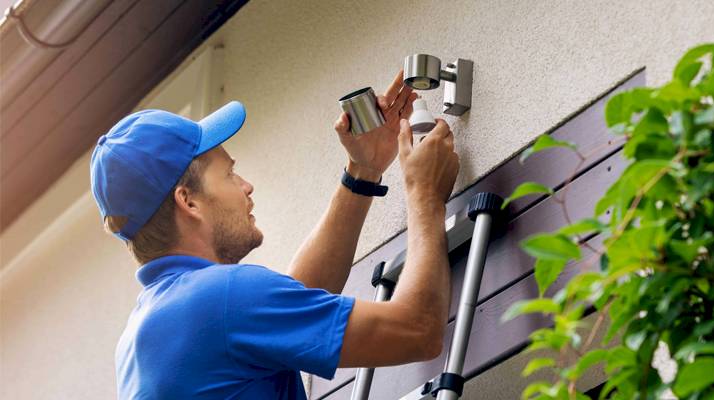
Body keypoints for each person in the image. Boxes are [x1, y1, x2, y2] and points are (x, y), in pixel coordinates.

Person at [91, 70, 460, 399]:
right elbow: (418, 330)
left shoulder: (147, 333)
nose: (246, 186)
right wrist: (424, 195)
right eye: (229, 174)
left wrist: (363, 171)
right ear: (188, 202)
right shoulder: (223, 300)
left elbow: (291, 298)